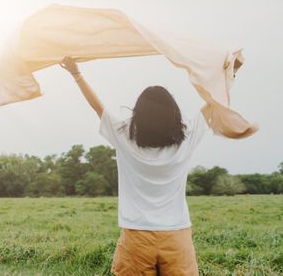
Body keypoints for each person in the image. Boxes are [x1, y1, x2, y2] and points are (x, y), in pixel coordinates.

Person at [60, 56, 208, 276]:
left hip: (137, 236)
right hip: (177, 235)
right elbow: (215, 104)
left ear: (139, 113)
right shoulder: (187, 135)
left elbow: (97, 108)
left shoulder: (124, 135)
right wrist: (230, 74)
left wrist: (76, 74)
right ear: (173, 112)